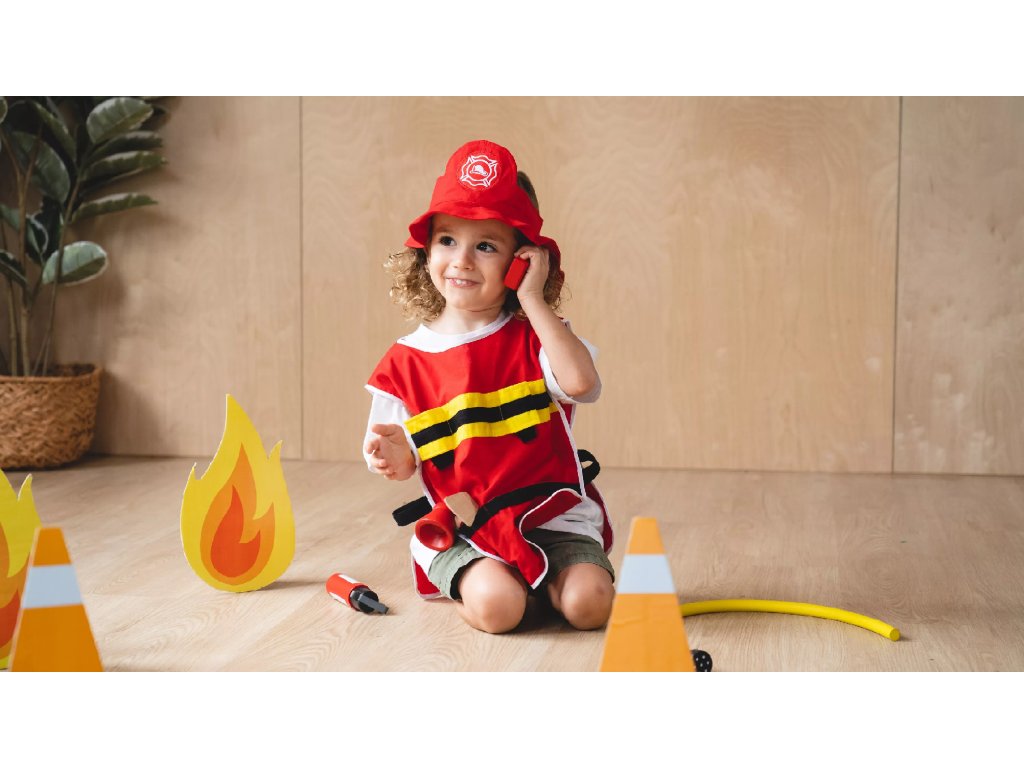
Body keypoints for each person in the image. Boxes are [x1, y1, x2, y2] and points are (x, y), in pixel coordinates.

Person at [363, 139, 614, 634]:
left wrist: (533, 300)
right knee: (500, 609)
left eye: (486, 246)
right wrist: (392, 456)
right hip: (466, 529)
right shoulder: (403, 363)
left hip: (549, 518)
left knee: (590, 606)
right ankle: (496, 590)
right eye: (447, 240)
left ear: (521, 261)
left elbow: (583, 385)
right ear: (425, 252)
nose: (461, 260)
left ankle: (539, 586)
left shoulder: (537, 338)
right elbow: (400, 460)